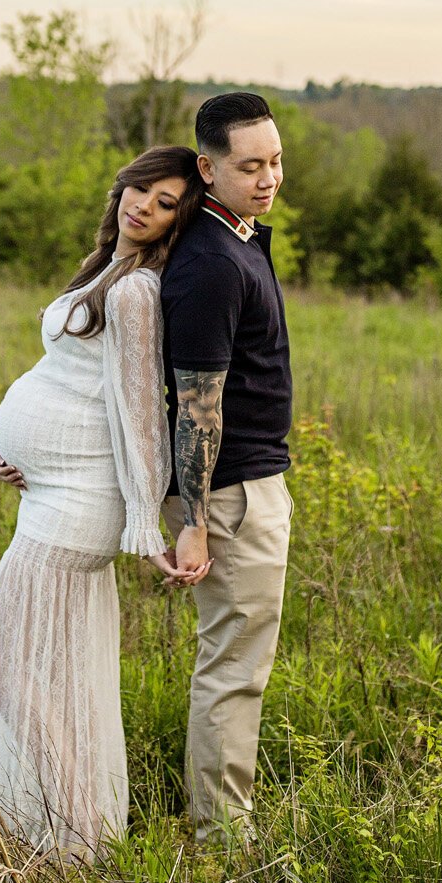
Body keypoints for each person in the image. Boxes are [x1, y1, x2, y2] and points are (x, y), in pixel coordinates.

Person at [0, 145, 207, 860]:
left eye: (166, 204)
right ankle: (56, 826)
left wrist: (144, 521)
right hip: (50, 492)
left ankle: (71, 828)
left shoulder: (136, 292)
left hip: (78, 509)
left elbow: (139, 413)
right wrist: (18, 454)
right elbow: (71, 381)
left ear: (176, 223)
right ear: (124, 184)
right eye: (143, 189)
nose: (145, 205)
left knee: (3, 664)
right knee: (43, 670)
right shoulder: (109, 266)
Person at [161, 92, 292, 844]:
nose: (268, 176)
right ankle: (220, 842)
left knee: (239, 662)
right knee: (232, 669)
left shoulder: (234, 239)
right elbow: (196, 407)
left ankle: (222, 826)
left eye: (274, 160)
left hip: (245, 486)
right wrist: (199, 524)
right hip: (232, 495)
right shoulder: (210, 262)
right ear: (208, 168)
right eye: (250, 165)